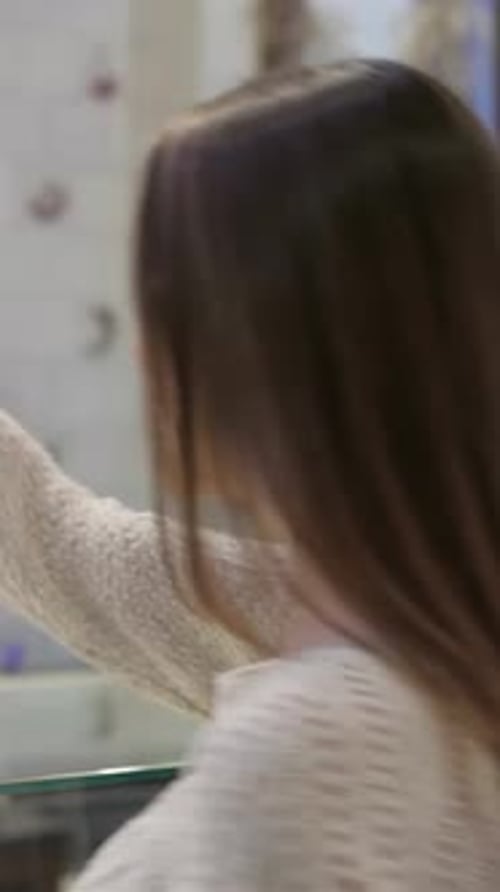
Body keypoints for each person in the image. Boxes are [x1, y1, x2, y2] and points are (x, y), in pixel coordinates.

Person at [1, 59, 500, 890]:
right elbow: (74, 552)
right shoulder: (419, 623)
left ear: (258, 352)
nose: (142, 351)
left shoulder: (315, 752)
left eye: (165, 304)